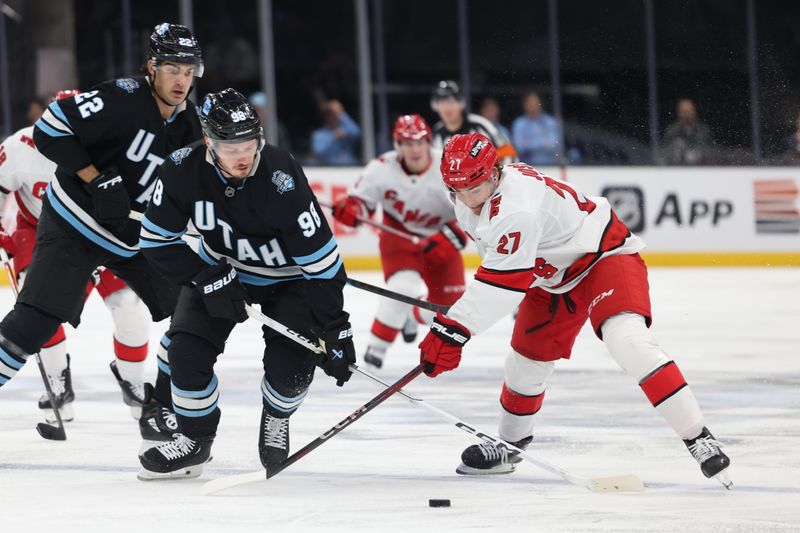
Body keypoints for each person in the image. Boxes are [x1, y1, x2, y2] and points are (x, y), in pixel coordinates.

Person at [417, 133, 732, 488]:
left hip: (603, 257)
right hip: (550, 276)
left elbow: (502, 280)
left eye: (473, 189)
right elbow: (500, 266)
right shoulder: (468, 198)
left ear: (494, 173)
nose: (468, 200)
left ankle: (698, 436)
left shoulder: (515, 205)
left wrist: (452, 328)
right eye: (457, 190)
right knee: (524, 361)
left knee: (627, 339)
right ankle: (510, 446)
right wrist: (470, 308)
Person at [136, 88, 355, 480]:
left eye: (249, 142)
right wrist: (204, 276)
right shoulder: (181, 169)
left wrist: (336, 328)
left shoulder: (281, 175)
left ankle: (277, 415)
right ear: (208, 141)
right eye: (228, 144)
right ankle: (195, 439)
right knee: (185, 352)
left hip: (288, 281)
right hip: (218, 271)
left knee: (291, 369)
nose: (242, 154)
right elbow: (154, 241)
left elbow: (321, 265)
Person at [0, 23, 203, 430]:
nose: (181, 79)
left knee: (196, 312)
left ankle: (160, 409)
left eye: (188, 70)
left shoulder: (190, 127)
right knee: (34, 322)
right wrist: (96, 178)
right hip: (75, 223)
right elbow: (49, 129)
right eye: (172, 69)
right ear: (152, 67)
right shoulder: (122, 97)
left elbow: (196, 191)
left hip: (133, 239)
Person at [0, 90, 153, 421]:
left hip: (104, 235)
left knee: (130, 307)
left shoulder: (114, 145)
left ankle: (134, 380)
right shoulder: (19, 147)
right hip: (45, 233)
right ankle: (57, 380)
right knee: (41, 307)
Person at [331, 114, 466, 369]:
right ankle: (376, 349)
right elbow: (360, 205)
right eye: (406, 143)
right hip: (399, 237)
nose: (414, 149)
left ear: (429, 142)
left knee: (451, 310)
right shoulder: (381, 168)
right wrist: (351, 210)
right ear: (397, 144)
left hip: (442, 239)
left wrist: (452, 236)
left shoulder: (448, 165)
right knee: (402, 288)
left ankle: (411, 315)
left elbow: (474, 210)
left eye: (419, 142)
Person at [430, 80, 517, 164]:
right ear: (435, 106)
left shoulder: (480, 125)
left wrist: (500, 176)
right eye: (441, 103)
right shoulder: (436, 133)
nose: (446, 108)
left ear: (461, 103)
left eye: (451, 101)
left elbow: (508, 152)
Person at [511, 90, 562, 165]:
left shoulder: (551, 122)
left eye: (535, 103)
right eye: (529, 103)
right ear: (524, 105)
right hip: (527, 167)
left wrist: (529, 143)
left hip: (551, 166)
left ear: (540, 103)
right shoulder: (519, 124)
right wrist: (543, 142)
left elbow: (554, 145)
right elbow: (519, 148)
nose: (532, 106)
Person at [662, 98, 715, 165]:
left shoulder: (703, 130)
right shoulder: (671, 131)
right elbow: (664, 153)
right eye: (684, 112)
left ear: (694, 111)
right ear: (679, 113)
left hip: (701, 168)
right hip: (677, 168)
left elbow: (711, 150)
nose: (687, 115)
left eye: (689, 111)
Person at [310, 99, 361, 165]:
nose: (336, 117)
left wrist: (342, 114)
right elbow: (318, 152)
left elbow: (357, 132)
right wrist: (333, 136)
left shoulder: (346, 129)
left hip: (349, 169)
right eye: (332, 114)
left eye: (337, 114)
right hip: (331, 171)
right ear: (326, 116)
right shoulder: (319, 134)